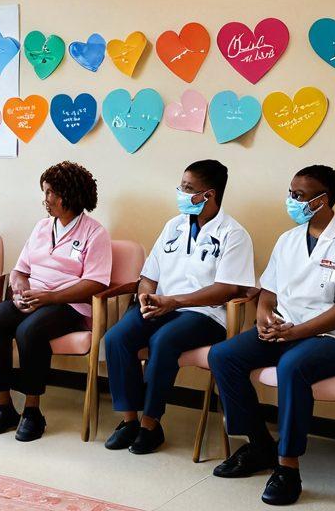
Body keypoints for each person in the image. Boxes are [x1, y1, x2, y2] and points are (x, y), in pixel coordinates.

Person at [209, 165, 335, 505]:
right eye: (290, 193)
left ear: (322, 200)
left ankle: (288, 468)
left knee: (292, 366)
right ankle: (259, 445)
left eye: (299, 196)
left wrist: (294, 333)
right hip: (285, 329)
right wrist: (263, 318)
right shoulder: (287, 240)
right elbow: (268, 292)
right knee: (223, 355)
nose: (291, 201)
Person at [104, 160, 255, 455]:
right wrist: (146, 297)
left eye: (188, 189)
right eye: (181, 186)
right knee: (116, 337)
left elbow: (226, 289)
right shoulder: (173, 226)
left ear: (209, 195)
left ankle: (150, 424)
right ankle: (129, 421)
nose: (181, 193)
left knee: (164, 340)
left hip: (205, 314)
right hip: (162, 305)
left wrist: (174, 301)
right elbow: (149, 276)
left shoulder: (233, 234)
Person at [0, 161, 112, 442]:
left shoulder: (95, 233)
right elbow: (19, 270)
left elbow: (96, 283)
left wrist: (49, 297)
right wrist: (20, 291)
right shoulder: (41, 227)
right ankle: (4, 408)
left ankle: (32, 411)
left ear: (67, 195)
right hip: (34, 297)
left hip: (69, 305)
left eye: (50, 192)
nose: (45, 199)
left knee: (30, 330)